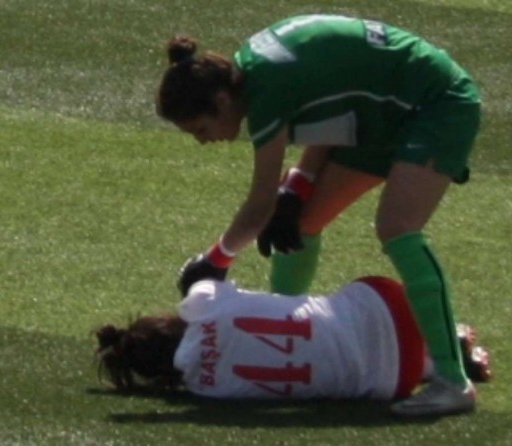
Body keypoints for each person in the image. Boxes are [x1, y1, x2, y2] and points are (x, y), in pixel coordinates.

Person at [155, 14, 482, 416]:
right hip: (380, 113)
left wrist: (215, 259)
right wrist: (299, 184)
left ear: (222, 101)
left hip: (435, 103)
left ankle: (453, 381)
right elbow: (337, 104)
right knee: (300, 223)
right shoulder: (255, 70)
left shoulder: (265, 94)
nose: (203, 142)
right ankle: (287, 322)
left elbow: (260, 204)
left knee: (397, 226)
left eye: (200, 129)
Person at [95, 276, 491, 405]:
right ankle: (444, 338)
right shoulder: (203, 304)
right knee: (355, 307)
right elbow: (207, 279)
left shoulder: (206, 389)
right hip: (387, 306)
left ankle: (432, 366)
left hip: (393, 381)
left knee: (352, 367)